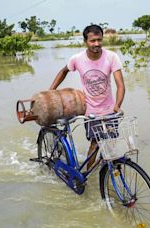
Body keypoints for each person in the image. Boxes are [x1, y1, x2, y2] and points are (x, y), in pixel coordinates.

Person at [49, 25, 125, 171]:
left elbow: (120, 85)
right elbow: (63, 71)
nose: (97, 44)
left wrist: (117, 105)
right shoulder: (77, 59)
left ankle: (108, 174)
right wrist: (51, 90)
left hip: (110, 110)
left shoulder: (111, 57)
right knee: (95, 144)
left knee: (111, 145)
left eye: (99, 40)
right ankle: (88, 175)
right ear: (85, 41)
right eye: (93, 41)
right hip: (90, 111)